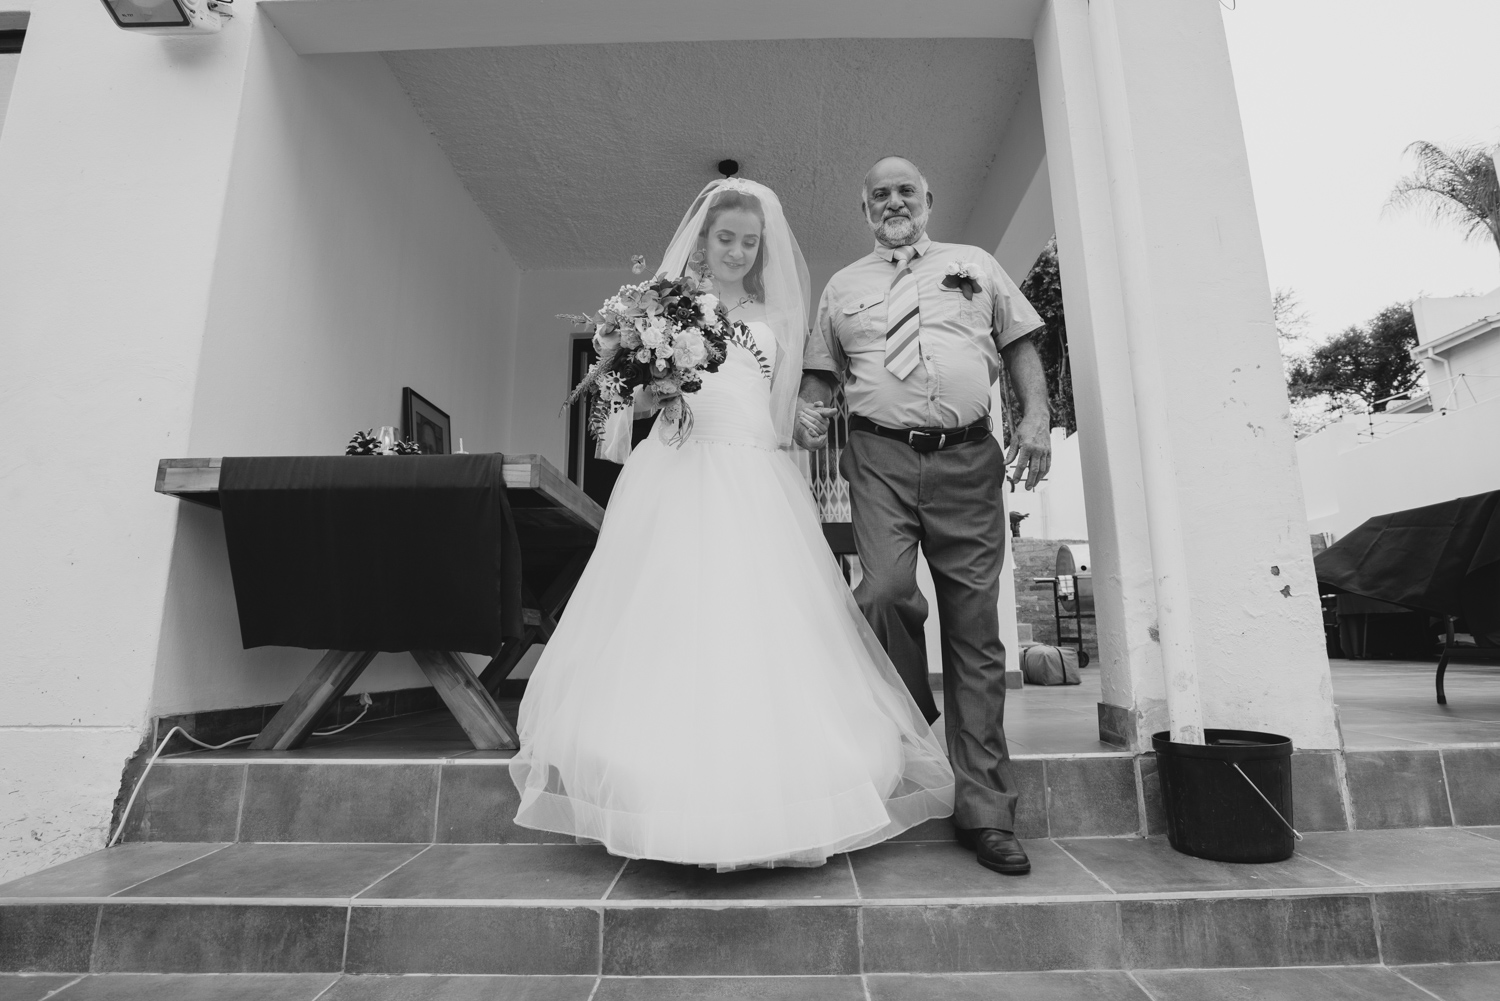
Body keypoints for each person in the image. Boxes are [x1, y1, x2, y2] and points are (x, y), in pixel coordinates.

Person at [509, 178, 954, 871]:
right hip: (678, 468)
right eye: (726, 239)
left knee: (761, 618)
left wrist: (804, 425)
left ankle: (779, 777)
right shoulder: (663, 306)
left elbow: (781, 410)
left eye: (749, 242)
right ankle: (655, 777)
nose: (738, 252)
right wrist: (656, 389)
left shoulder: (779, 316)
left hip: (755, 474)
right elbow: (631, 402)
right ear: (703, 239)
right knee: (671, 612)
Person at [796, 156, 1052, 876]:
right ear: (865, 209)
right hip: (878, 455)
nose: (893, 202)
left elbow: (1019, 343)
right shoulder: (843, 286)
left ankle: (986, 812)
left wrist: (1035, 416)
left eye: (905, 190)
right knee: (880, 592)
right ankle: (914, 719)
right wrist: (808, 412)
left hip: (968, 460)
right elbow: (820, 376)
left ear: (929, 199)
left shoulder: (976, 264)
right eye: (879, 194)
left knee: (975, 631)